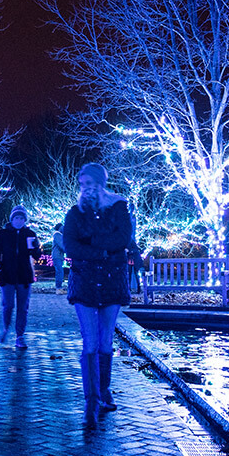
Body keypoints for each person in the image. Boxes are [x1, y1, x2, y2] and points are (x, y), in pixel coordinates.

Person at [64, 163, 133, 429]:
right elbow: (70, 246)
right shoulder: (75, 213)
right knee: (90, 341)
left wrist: (90, 243)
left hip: (112, 281)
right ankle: (91, 400)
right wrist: (102, 251)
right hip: (84, 283)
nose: (86, 189)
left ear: (101, 183)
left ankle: (104, 390)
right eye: (82, 184)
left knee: (106, 340)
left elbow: (123, 239)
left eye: (91, 183)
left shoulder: (118, 208)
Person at [0, 205, 42, 348]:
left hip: (24, 276)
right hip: (7, 275)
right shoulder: (2, 233)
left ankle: (20, 336)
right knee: (7, 305)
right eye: (16, 218)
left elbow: (36, 255)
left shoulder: (30, 233)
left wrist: (35, 246)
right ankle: (5, 329)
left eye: (22, 218)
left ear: (25, 220)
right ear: (12, 219)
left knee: (23, 307)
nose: (19, 221)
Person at [52, 223, 67, 294]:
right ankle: (58, 288)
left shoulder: (60, 235)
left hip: (59, 256)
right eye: (62, 227)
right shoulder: (57, 234)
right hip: (57, 256)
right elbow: (61, 245)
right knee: (59, 271)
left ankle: (59, 288)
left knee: (60, 271)